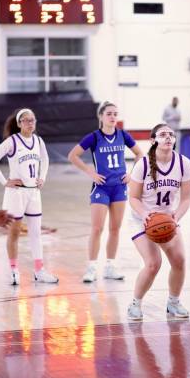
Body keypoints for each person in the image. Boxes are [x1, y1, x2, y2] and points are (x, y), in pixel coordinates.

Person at [68, 101, 143, 283]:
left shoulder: (123, 135)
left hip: (119, 187)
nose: (113, 117)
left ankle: (110, 266)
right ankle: (92, 267)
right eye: (109, 113)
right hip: (101, 187)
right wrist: (90, 172)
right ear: (101, 116)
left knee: (115, 229)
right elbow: (72, 155)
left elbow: (140, 154)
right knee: (97, 228)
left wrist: (131, 173)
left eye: (115, 114)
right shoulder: (94, 137)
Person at [127, 123, 190, 321]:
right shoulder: (143, 164)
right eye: (163, 134)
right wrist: (146, 215)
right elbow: (133, 198)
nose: (168, 138)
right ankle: (135, 304)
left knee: (179, 260)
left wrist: (176, 216)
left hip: (166, 218)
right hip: (142, 218)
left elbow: (186, 199)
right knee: (153, 263)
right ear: (153, 140)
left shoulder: (183, 163)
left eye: (171, 135)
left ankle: (173, 302)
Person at [0, 108, 59, 285]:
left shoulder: (38, 141)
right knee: (14, 233)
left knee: (36, 233)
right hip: (16, 193)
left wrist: (43, 177)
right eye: (26, 120)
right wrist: (4, 181)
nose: (30, 123)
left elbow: (45, 160)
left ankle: (39, 271)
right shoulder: (12, 141)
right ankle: (14, 270)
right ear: (19, 123)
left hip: (33, 193)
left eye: (33, 120)